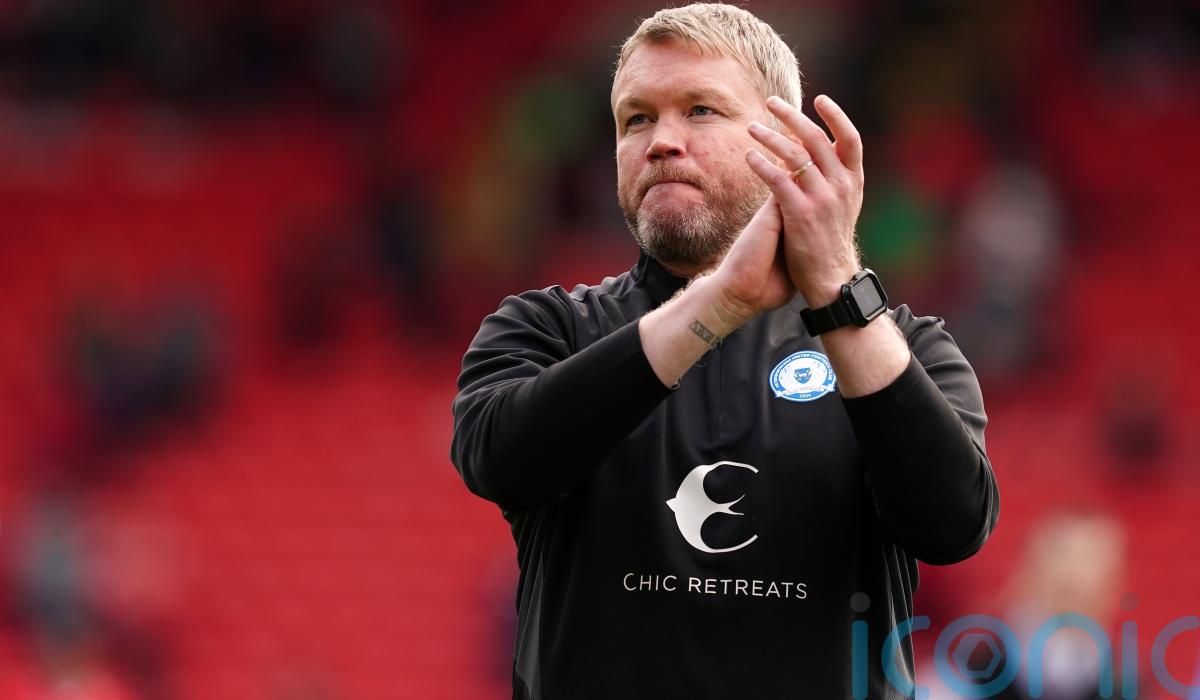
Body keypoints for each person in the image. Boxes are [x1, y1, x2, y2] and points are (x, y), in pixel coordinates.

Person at [450, 4, 999, 698]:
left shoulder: (905, 348)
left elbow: (953, 525)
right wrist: (719, 301)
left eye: (700, 111)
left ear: (787, 145)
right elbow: (500, 460)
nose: (661, 141)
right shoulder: (546, 329)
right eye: (635, 119)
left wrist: (837, 286)